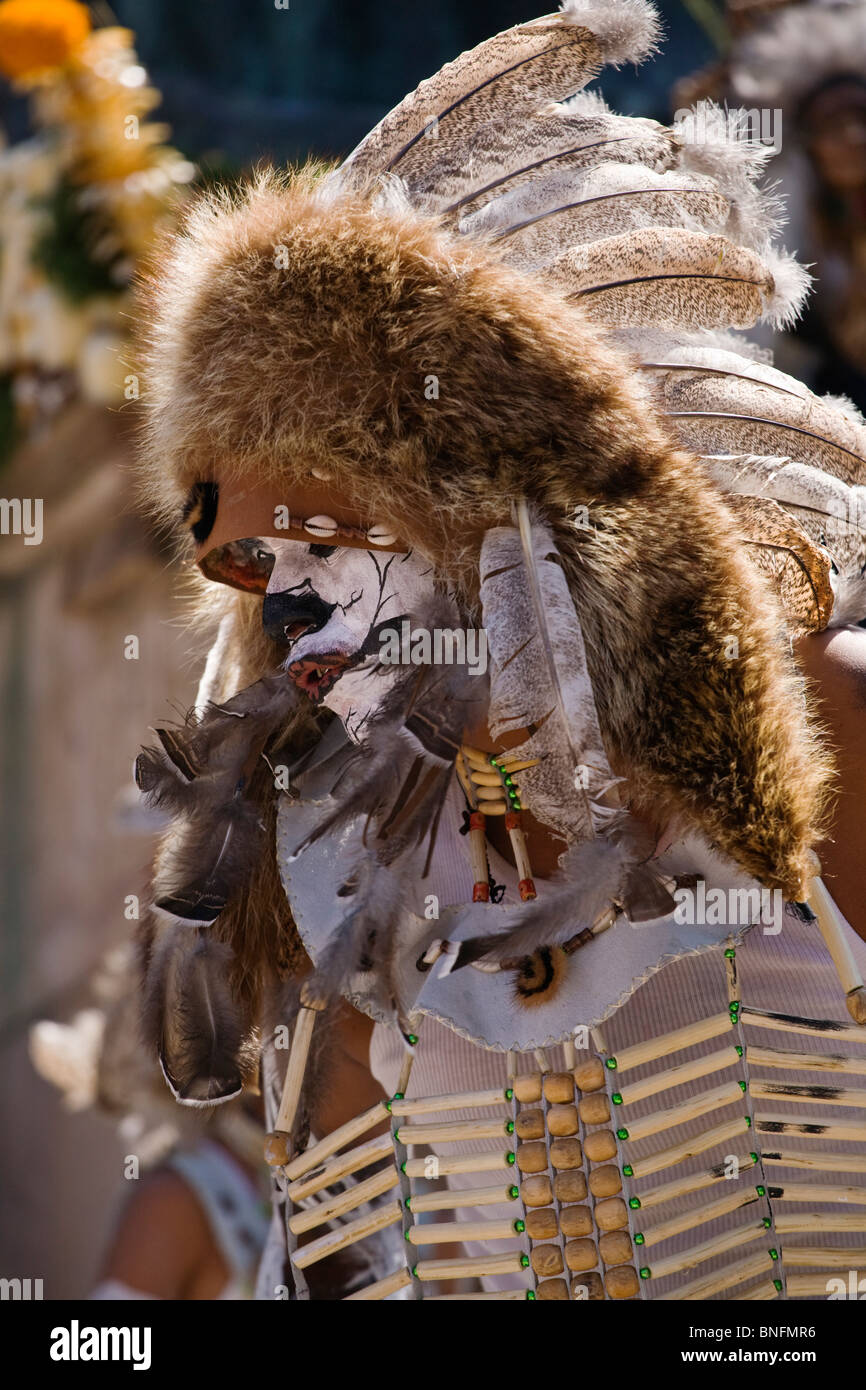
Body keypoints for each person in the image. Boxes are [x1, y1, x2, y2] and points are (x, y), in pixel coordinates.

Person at [133, 0, 866, 1301]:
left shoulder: (817, 716)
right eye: (257, 585)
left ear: (468, 516)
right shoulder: (346, 871)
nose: (299, 627)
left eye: (323, 548)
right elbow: (349, 1267)